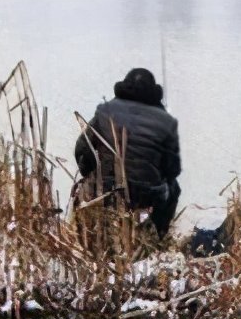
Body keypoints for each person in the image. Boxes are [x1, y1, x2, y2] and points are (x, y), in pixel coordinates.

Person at [75, 68, 181, 238]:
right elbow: (172, 169)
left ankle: (91, 237)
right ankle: (158, 236)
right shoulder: (166, 121)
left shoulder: (104, 112)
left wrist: (91, 174)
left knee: (86, 187)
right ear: (154, 93)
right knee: (174, 188)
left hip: (106, 188)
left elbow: (82, 150)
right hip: (148, 194)